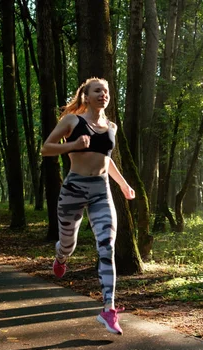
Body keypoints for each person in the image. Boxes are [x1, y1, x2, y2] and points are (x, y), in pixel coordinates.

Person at [40, 77, 135, 335]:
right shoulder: (72, 121)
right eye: (98, 90)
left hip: (101, 191)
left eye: (106, 91)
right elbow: (46, 148)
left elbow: (107, 160)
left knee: (107, 246)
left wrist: (124, 185)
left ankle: (108, 308)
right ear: (86, 96)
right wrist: (72, 145)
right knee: (68, 243)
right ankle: (61, 256)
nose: (103, 94)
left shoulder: (111, 126)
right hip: (74, 189)